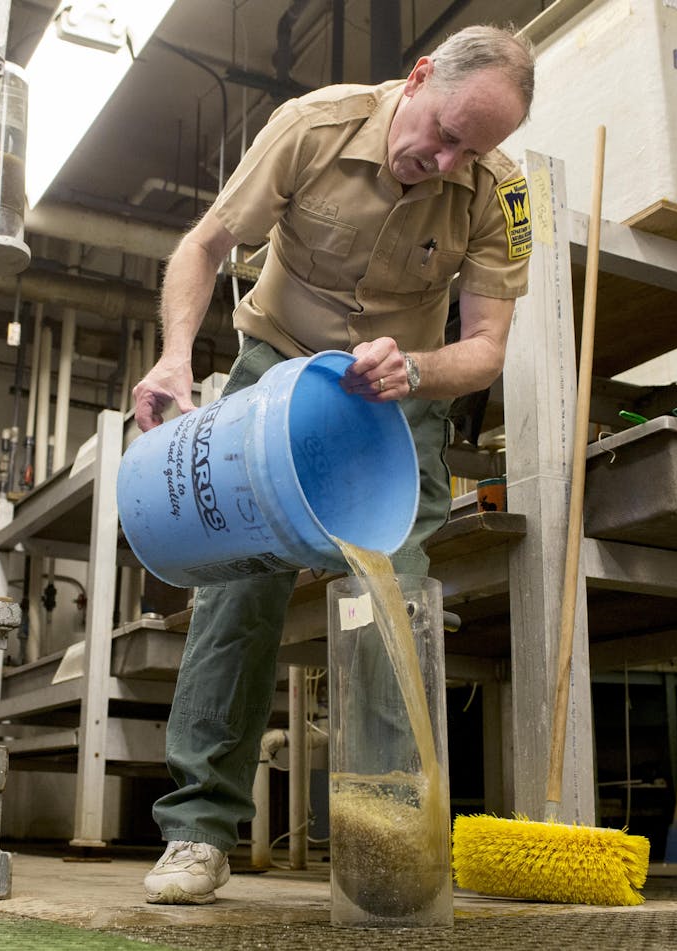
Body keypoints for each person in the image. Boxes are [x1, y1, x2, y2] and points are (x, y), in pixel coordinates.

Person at [131, 24, 536, 905]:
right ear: (419, 74)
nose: (445, 157)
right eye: (443, 130)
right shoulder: (312, 126)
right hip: (275, 368)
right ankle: (198, 830)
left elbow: (489, 348)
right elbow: (203, 247)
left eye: (472, 147)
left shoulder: (501, 193)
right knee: (240, 590)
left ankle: (386, 844)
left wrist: (419, 369)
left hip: (393, 399)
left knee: (392, 604)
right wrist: (173, 356)